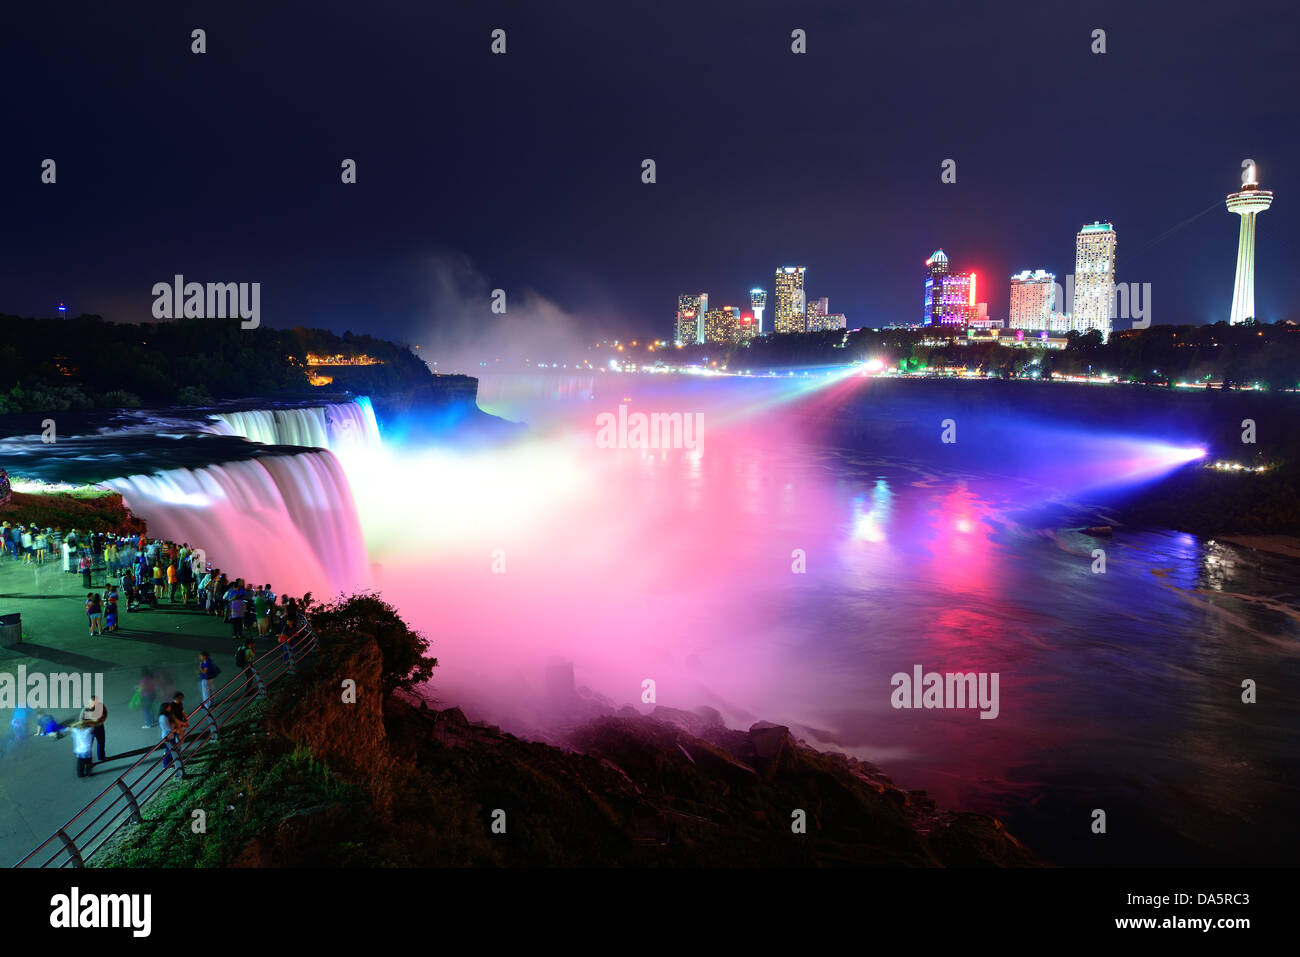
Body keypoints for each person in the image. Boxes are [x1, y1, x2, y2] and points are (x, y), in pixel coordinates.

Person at [81, 696, 108, 763]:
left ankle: (102, 757)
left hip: (99, 726)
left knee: (101, 742)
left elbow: (105, 713)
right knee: (89, 746)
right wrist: (86, 729)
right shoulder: (86, 710)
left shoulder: (100, 706)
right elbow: (81, 721)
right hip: (90, 729)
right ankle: (88, 762)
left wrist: (101, 721)